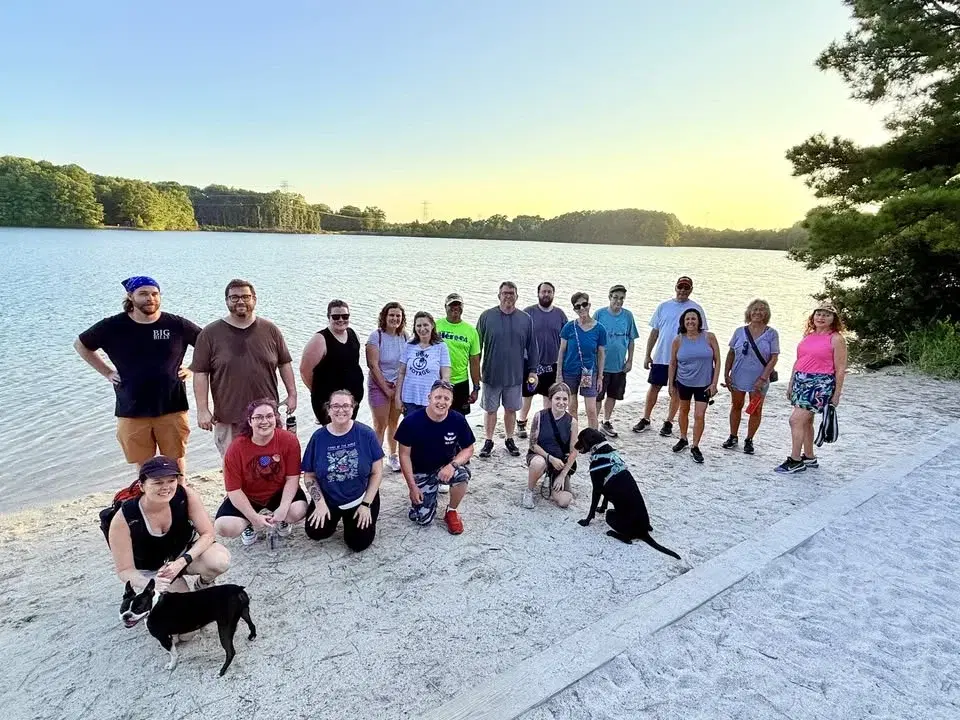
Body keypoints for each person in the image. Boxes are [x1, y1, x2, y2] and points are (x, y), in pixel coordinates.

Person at [75, 276, 200, 473]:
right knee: (144, 462)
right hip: (131, 407)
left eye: (154, 294)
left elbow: (208, 345)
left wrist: (193, 368)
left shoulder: (176, 324)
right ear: (130, 296)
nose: (150, 298)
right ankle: (148, 494)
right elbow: (81, 345)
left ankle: (180, 492)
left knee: (175, 459)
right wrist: (107, 372)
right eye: (143, 294)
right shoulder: (112, 326)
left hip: (172, 405)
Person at [192, 279, 297, 457]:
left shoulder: (270, 329)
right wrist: (202, 409)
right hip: (229, 416)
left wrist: (292, 394)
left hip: (266, 416)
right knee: (234, 464)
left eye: (245, 297)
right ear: (226, 301)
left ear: (254, 299)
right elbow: (200, 373)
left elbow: (284, 363)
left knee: (271, 463)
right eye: (234, 298)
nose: (240, 301)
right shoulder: (210, 334)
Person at [108, 455, 231, 593]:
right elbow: (125, 570)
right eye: (158, 482)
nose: (166, 487)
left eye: (171, 481)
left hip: (182, 554)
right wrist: (151, 583)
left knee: (219, 560)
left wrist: (182, 561)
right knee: (181, 602)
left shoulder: (185, 496)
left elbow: (208, 534)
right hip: (152, 568)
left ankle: (204, 583)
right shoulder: (124, 518)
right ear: (142, 486)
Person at [214, 398, 309, 545]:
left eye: (269, 416)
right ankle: (249, 525)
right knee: (224, 527)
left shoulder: (289, 440)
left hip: (278, 491)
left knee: (298, 510)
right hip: (248, 495)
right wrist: (253, 517)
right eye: (258, 417)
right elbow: (234, 490)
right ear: (250, 421)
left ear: (275, 419)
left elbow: (292, 478)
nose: (264, 421)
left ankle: (281, 519)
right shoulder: (236, 448)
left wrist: (283, 508)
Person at [302, 390, 384, 552]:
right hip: (329, 498)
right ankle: (333, 515)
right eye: (336, 406)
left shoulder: (366, 434)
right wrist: (319, 504)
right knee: (315, 532)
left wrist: (366, 504)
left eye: (346, 405)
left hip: (360, 498)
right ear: (329, 409)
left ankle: (359, 517)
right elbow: (309, 475)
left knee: (358, 544)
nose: (341, 410)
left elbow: (377, 472)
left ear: (353, 408)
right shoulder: (318, 438)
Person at [395, 380, 475, 534]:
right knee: (423, 520)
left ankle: (451, 511)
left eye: (446, 399)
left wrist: (453, 465)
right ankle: (425, 496)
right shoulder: (411, 422)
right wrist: (412, 486)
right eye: (438, 397)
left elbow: (469, 448)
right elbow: (404, 455)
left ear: (451, 402)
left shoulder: (457, 419)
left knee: (462, 475)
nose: (441, 402)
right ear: (429, 398)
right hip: (421, 471)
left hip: (444, 467)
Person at [776, 305, 848, 474]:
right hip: (801, 380)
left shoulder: (836, 339)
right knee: (806, 421)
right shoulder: (808, 336)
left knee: (796, 420)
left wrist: (837, 394)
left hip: (820, 383)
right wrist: (791, 382)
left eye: (826, 315)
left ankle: (795, 460)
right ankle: (809, 456)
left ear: (833, 319)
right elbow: (799, 359)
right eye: (819, 314)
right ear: (813, 316)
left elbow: (840, 368)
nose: (821, 318)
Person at [633, 276, 708, 437]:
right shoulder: (664, 307)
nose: (682, 290)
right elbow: (655, 331)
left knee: (676, 391)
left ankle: (668, 422)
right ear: (675, 287)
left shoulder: (696, 309)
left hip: (683, 359)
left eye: (686, 288)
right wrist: (647, 354)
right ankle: (646, 418)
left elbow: (702, 335)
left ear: (691, 290)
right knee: (654, 386)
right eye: (680, 287)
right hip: (661, 355)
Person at [476, 282, 539, 458]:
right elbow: (476, 347)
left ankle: (509, 439)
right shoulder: (486, 316)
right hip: (491, 374)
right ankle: (488, 441)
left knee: (511, 409)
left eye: (511, 293)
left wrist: (533, 371)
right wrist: (475, 373)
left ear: (517, 296)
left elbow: (532, 347)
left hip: (515, 375)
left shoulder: (525, 319)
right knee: (490, 409)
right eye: (505, 293)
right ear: (499, 296)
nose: (508, 296)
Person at [722, 299, 780, 455]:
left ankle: (749, 439)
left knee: (755, 409)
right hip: (739, 375)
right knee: (736, 405)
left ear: (766, 314)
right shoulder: (739, 331)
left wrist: (762, 378)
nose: (758, 312)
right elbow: (731, 352)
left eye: (762, 310)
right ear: (749, 312)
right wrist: (726, 373)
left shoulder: (771, 334)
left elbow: (774, 358)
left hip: (759, 380)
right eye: (755, 309)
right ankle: (733, 436)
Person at [667, 308, 720, 463]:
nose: (691, 322)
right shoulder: (678, 340)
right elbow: (672, 363)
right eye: (688, 319)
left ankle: (695, 445)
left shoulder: (709, 337)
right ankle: (683, 438)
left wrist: (714, 383)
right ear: (683, 322)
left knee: (699, 415)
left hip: (704, 384)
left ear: (699, 321)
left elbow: (717, 361)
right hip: (683, 381)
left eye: (694, 319)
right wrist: (670, 384)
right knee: (684, 410)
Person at [300, 299, 365, 426]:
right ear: (328, 317)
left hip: (352, 401)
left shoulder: (353, 334)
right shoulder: (320, 339)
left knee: (347, 435)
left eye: (345, 316)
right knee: (332, 436)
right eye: (336, 316)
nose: (341, 319)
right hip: (329, 404)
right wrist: (318, 393)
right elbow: (304, 370)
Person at [518, 281, 567, 440]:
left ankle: (546, 426)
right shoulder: (528, 313)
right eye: (543, 292)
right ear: (538, 293)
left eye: (549, 292)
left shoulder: (560, 314)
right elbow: (519, 337)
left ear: (553, 294)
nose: (546, 294)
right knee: (528, 396)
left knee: (549, 397)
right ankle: (521, 423)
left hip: (552, 365)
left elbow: (567, 339)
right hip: (532, 366)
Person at [522, 382, 578, 510]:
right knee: (538, 463)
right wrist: (550, 458)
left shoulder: (572, 422)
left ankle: (552, 481)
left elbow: (574, 452)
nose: (561, 402)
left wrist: (563, 475)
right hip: (541, 456)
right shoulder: (539, 416)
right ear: (550, 399)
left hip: (560, 464)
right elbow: (533, 444)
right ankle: (529, 491)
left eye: (565, 399)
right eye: (557, 398)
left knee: (564, 501)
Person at [593, 284, 640, 439]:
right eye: (615, 297)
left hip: (619, 365)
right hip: (601, 366)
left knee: (613, 395)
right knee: (598, 396)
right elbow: (591, 337)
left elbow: (632, 340)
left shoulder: (628, 316)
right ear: (609, 297)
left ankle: (606, 421)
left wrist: (630, 361)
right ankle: (593, 425)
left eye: (621, 298)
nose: (618, 301)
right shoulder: (599, 314)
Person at [365, 302, 407, 472]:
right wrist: (386, 389)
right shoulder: (376, 337)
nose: (395, 318)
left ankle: (393, 455)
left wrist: (398, 386)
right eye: (391, 315)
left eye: (398, 315)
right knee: (380, 424)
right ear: (384, 316)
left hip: (398, 384)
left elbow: (405, 363)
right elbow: (373, 366)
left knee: (394, 422)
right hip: (378, 384)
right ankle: (375, 459)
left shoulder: (404, 336)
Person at [558, 292, 607, 430]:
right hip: (570, 371)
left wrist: (600, 377)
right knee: (572, 408)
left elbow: (601, 354)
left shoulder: (599, 329)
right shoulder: (569, 327)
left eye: (584, 304)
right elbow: (561, 351)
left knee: (591, 410)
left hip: (589, 372)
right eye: (578, 306)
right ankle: (574, 439)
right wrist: (559, 374)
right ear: (574, 309)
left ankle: (594, 440)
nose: (582, 308)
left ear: (589, 305)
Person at [396, 311, 452, 415]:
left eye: (426, 325)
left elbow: (445, 376)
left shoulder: (441, 346)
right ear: (415, 327)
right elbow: (401, 373)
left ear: (432, 326)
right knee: (411, 430)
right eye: (419, 326)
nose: (422, 329)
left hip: (431, 399)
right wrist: (397, 398)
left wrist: (443, 397)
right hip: (409, 398)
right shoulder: (409, 345)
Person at [436, 293, 481, 416]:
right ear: (445, 307)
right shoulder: (436, 326)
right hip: (439, 380)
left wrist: (476, 388)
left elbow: (475, 362)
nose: (455, 308)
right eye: (451, 305)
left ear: (462, 307)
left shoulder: (471, 331)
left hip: (461, 382)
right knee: (437, 415)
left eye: (458, 305)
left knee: (459, 418)